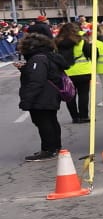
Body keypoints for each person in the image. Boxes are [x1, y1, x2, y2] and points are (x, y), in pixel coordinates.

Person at [17, 26, 66, 161]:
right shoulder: (47, 56)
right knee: (51, 120)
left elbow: (36, 80)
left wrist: (26, 100)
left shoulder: (38, 59)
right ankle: (55, 147)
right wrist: (25, 68)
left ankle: (48, 149)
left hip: (43, 95)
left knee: (44, 122)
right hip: (51, 93)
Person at [54, 20, 92, 124]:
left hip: (66, 72)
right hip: (83, 71)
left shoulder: (57, 42)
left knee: (70, 95)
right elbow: (90, 53)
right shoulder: (81, 41)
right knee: (83, 94)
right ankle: (84, 116)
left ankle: (75, 117)